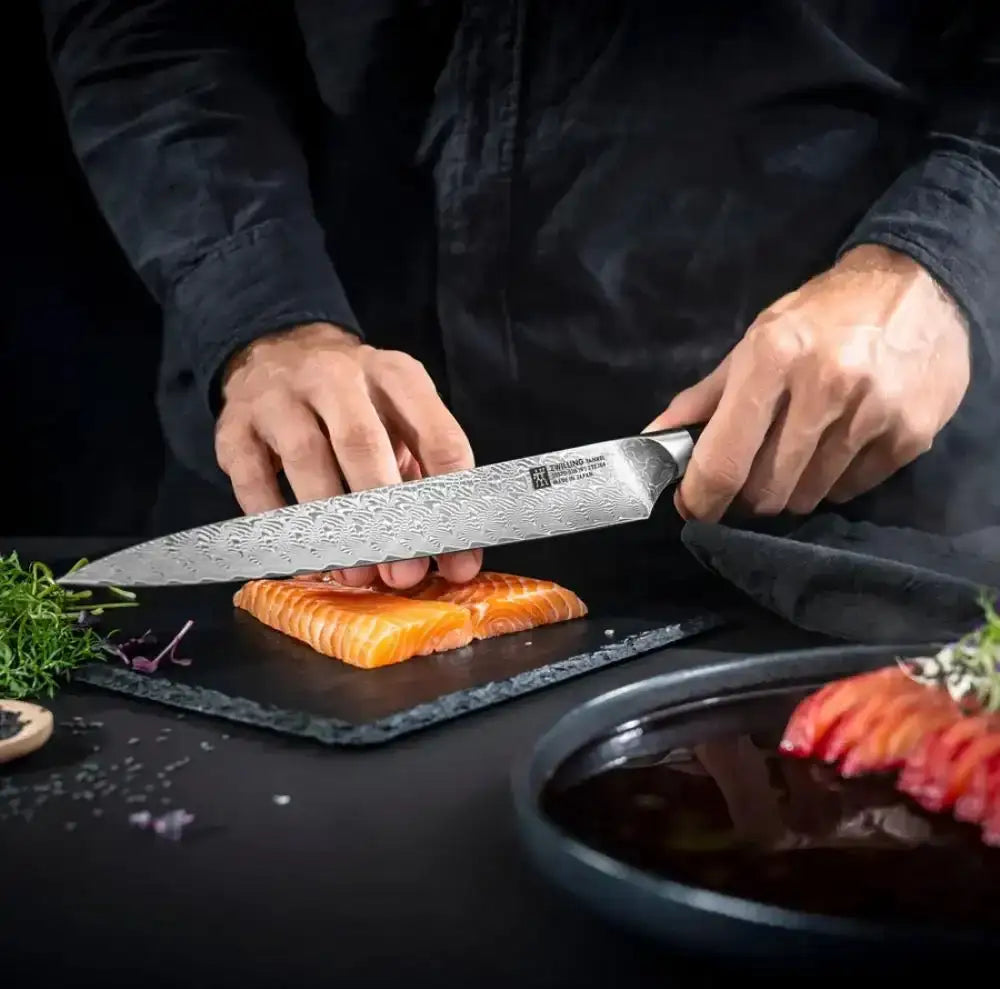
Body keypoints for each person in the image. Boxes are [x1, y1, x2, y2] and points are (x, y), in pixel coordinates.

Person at [39, 2, 1000, 593]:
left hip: (829, 499)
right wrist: (262, 314)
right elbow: (149, 21)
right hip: (297, 469)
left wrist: (935, 257)